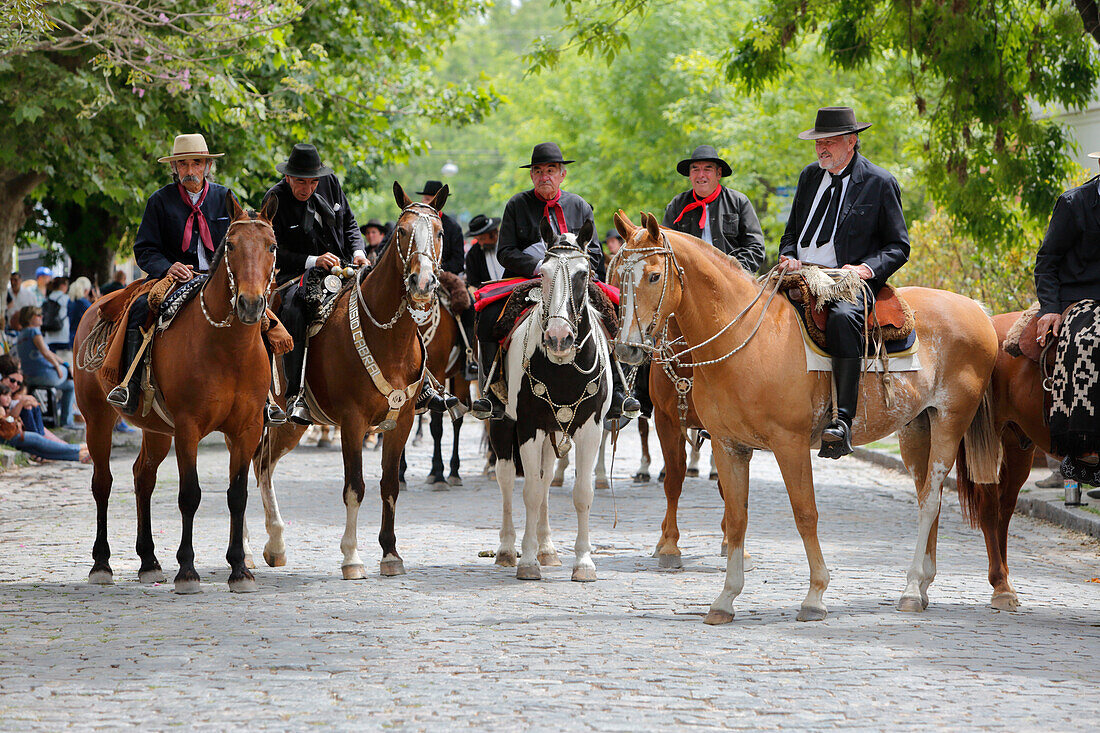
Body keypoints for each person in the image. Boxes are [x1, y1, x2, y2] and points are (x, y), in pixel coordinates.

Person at [469, 142, 638, 421]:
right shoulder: (516, 205)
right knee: (488, 315)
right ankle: (492, 393)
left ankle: (620, 389)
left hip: (574, 282)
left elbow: (594, 251)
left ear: (562, 175)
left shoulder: (579, 205)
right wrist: (538, 267)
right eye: (538, 171)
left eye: (550, 170)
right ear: (532, 176)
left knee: (617, 311)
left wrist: (579, 272)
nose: (544, 176)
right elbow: (505, 252)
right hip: (529, 279)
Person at [776, 106, 910, 459]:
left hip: (846, 279)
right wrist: (788, 255)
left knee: (841, 317)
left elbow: (899, 246)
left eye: (830, 142)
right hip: (800, 273)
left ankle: (842, 421)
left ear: (852, 141)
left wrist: (866, 269)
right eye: (819, 142)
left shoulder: (880, 182)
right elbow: (791, 233)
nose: (822, 149)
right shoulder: (808, 177)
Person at [1035, 151, 1100, 497]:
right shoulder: (1074, 203)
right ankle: (1085, 448)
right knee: (1088, 341)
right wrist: (1050, 307)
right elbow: (1047, 261)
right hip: (1083, 298)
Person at [662, 145, 765, 272]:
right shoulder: (677, 205)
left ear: (719, 174)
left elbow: (755, 247)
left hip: (732, 280)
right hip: (690, 281)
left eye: (707, 169)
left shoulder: (738, 202)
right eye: (695, 169)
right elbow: (664, 247)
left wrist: (733, 272)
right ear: (689, 175)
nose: (701, 175)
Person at [15, 305, 77, 429]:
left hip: (29, 377)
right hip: (44, 374)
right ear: (29, 318)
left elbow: (49, 353)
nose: (41, 317)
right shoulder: (34, 331)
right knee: (72, 375)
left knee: (69, 386)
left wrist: (63, 364)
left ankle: (66, 419)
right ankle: (66, 421)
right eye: (38, 315)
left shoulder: (21, 335)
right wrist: (60, 367)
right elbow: (46, 352)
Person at [0, 384, 89, 462]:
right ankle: (80, 448)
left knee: (39, 451)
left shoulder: (5, 407)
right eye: (5, 395)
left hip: (12, 434)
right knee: (38, 440)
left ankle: (79, 456)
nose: (8, 398)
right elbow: (10, 419)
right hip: (8, 436)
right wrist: (20, 404)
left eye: (9, 395)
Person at [462, 214, 503, 380]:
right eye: (477, 238)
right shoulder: (473, 255)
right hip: (489, 298)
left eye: (482, 238)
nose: (480, 242)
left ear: (493, 234)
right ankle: (487, 372)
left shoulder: (507, 247)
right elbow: (473, 284)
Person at [416, 181, 466, 276]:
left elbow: (458, 263)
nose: (427, 204)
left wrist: (433, 269)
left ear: (441, 202)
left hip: (443, 277)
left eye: (431, 200)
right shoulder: (413, 223)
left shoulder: (453, 227)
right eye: (426, 199)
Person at [43, 276, 70, 360]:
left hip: (49, 336)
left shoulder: (47, 298)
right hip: (63, 335)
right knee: (65, 362)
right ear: (62, 285)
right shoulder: (66, 299)